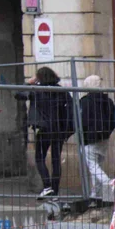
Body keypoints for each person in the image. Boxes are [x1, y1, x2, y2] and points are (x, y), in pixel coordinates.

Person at [28, 66, 73, 199]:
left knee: (39, 157)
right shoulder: (61, 90)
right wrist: (68, 129)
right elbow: (70, 110)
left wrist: (29, 83)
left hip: (44, 129)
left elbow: (18, 94)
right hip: (59, 130)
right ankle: (55, 191)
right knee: (55, 160)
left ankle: (47, 186)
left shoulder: (37, 90)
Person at [77, 75, 115, 198]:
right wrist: (107, 132)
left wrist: (82, 133)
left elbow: (81, 120)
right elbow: (113, 119)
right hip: (103, 138)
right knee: (97, 165)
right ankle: (96, 194)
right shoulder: (107, 101)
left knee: (93, 166)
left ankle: (109, 183)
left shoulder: (84, 101)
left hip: (89, 139)